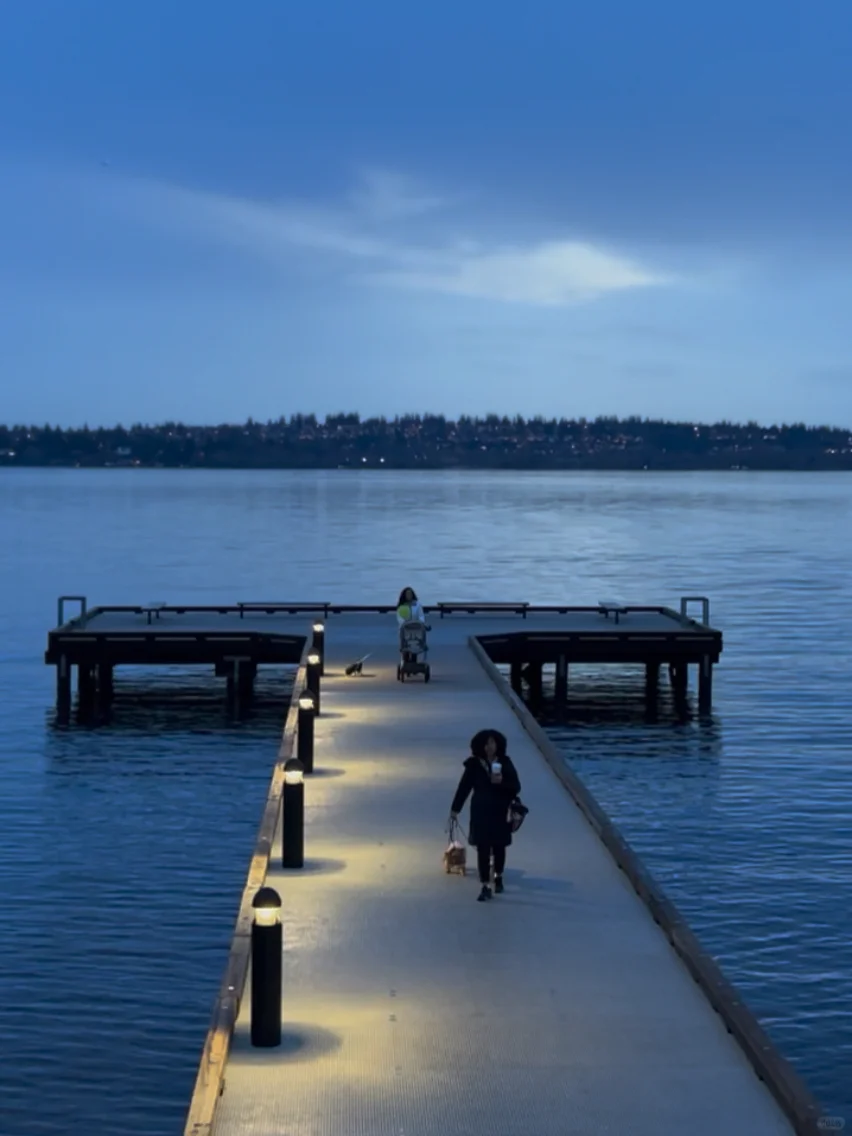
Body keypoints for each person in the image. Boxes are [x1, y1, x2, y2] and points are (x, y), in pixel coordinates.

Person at [449, 729, 521, 902]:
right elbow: (464, 787)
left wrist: (501, 781)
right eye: (486, 743)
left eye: (492, 743)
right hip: (481, 810)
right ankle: (484, 885)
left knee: (499, 846)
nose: (489, 747)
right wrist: (455, 809)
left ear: (498, 745)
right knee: (483, 847)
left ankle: (498, 876)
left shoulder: (505, 763)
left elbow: (516, 786)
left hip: (500, 810)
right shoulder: (474, 765)